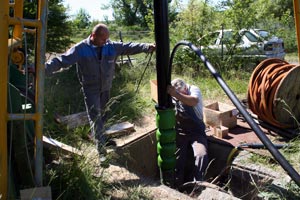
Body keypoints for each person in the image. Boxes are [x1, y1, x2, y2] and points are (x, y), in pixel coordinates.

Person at [45, 23, 156, 163]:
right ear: (93, 36)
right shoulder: (81, 49)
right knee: (95, 117)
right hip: (90, 89)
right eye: (103, 39)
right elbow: (62, 60)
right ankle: (101, 151)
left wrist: (146, 47)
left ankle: (97, 137)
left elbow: (128, 47)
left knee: (103, 115)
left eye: (107, 39)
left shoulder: (110, 46)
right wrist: (43, 68)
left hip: (106, 88)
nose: (105, 42)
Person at [167, 78, 208, 189]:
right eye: (179, 94)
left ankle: (197, 186)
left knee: (201, 155)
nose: (181, 97)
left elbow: (193, 101)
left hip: (197, 132)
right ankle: (176, 185)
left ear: (185, 88)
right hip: (180, 132)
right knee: (177, 159)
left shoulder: (194, 89)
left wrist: (176, 94)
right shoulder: (172, 95)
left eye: (183, 93)